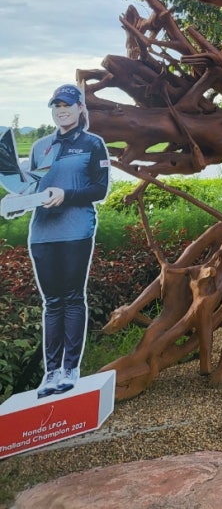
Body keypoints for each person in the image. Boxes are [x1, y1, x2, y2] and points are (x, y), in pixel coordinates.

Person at [27, 84, 110, 398]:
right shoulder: (40, 147)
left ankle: (70, 369)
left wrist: (67, 195)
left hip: (76, 231)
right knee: (51, 303)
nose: (61, 110)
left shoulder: (93, 144)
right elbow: (32, 188)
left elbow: (99, 190)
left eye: (67, 105)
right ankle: (51, 373)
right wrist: (16, 202)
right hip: (42, 235)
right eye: (57, 106)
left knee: (73, 298)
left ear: (79, 109)